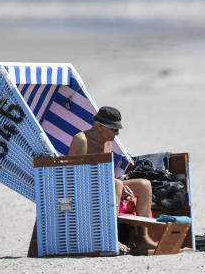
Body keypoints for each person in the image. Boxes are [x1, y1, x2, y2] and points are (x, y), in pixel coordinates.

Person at [68, 106, 158, 250]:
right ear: (99, 126)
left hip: (103, 185)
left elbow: (106, 173)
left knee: (144, 184)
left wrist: (122, 187)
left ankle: (142, 238)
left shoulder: (107, 141)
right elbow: (75, 177)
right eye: (114, 129)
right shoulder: (81, 140)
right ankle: (112, 238)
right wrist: (115, 185)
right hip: (81, 190)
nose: (117, 133)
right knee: (116, 184)